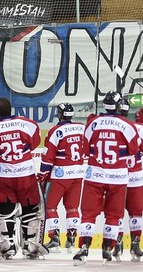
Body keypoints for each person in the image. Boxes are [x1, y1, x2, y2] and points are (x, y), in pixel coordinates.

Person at [73, 92, 140, 265]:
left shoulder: (92, 124)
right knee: (113, 215)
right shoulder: (127, 125)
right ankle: (107, 248)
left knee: (88, 214)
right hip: (117, 177)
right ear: (119, 107)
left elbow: (85, 150)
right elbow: (134, 150)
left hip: (95, 175)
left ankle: (84, 247)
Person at [0, 97, 46, 260]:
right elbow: (35, 141)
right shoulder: (27, 124)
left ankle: (8, 244)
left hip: (3, 176)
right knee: (30, 210)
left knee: (4, 210)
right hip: (25, 174)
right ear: (11, 109)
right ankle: (29, 244)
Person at [39, 102, 86, 253]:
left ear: (59, 114)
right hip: (78, 173)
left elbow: (48, 156)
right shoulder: (81, 128)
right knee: (72, 207)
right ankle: (72, 239)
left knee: (50, 206)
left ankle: (54, 239)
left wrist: (42, 174)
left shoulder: (55, 131)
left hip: (60, 174)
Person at [114, 99, 143, 261]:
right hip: (135, 178)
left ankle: (117, 243)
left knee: (115, 213)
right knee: (136, 212)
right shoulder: (140, 128)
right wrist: (142, 123)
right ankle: (135, 244)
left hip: (116, 177)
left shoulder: (112, 126)